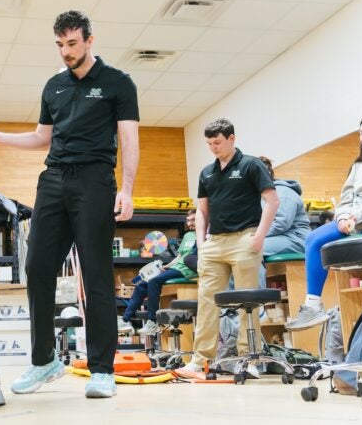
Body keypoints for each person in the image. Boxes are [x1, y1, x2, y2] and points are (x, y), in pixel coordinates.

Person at [0, 10, 139, 399]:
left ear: (89, 40)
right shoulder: (53, 87)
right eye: (60, 45)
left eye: (72, 43)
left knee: (96, 273)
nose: (66, 52)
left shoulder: (119, 83)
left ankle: (103, 369)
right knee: (36, 267)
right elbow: (41, 138)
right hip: (53, 180)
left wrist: (128, 189)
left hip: (95, 180)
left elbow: (130, 140)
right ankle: (44, 361)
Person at [285, 114, 362, 330]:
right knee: (314, 238)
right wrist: (342, 217)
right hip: (354, 219)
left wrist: (358, 215)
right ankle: (312, 307)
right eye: (361, 133)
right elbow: (346, 199)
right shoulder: (359, 165)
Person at [179, 118, 279, 376]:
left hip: (244, 238)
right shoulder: (206, 172)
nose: (213, 147)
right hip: (215, 243)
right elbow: (202, 211)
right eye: (209, 143)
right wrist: (201, 245)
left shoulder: (251, 165)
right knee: (206, 302)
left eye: (218, 142)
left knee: (247, 302)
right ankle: (200, 359)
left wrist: (259, 236)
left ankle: (250, 360)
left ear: (232, 138)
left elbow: (272, 201)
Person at [122, 209, 197, 334]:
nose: (190, 223)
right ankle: (125, 320)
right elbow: (180, 256)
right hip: (176, 267)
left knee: (154, 281)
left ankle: (153, 322)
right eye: (188, 220)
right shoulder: (187, 235)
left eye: (193, 220)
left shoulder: (203, 234)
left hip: (188, 269)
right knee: (141, 284)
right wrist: (167, 265)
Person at [256, 156, 311, 287]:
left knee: (251, 249)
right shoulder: (260, 196)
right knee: (236, 250)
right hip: (279, 237)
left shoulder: (283, 192)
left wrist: (256, 235)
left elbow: (281, 223)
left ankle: (257, 304)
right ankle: (231, 305)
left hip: (296, 239)